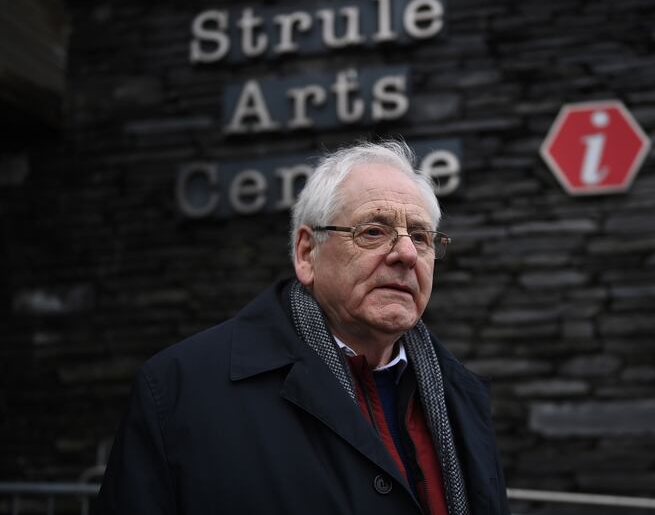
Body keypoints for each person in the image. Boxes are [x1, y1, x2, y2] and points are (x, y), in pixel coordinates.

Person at [96, 140, 510, 515]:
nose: (405, 252)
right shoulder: (178, 390)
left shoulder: (461, 396)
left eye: (420, 237)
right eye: (373, 231)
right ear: (307, 253)